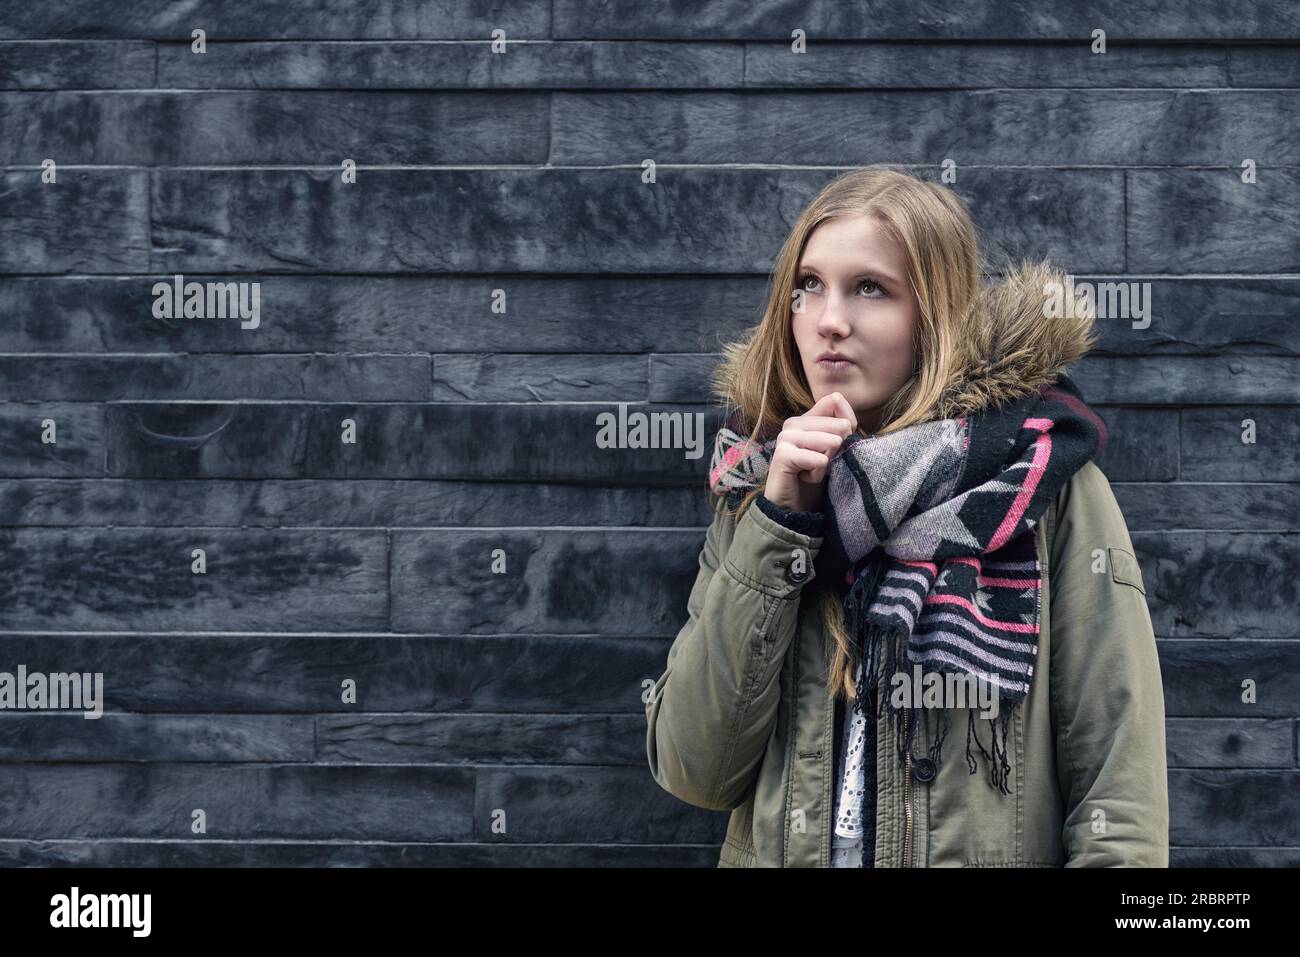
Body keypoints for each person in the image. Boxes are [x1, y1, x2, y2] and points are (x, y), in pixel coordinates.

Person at [644, 166, 1169, 867]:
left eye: (871, 288)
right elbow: (695, 769)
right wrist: (779, 522)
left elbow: (1118, 797)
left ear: (937, 313)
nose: (830, 319)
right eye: (809, 287)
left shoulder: (1042, 485)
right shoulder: (758, 484)